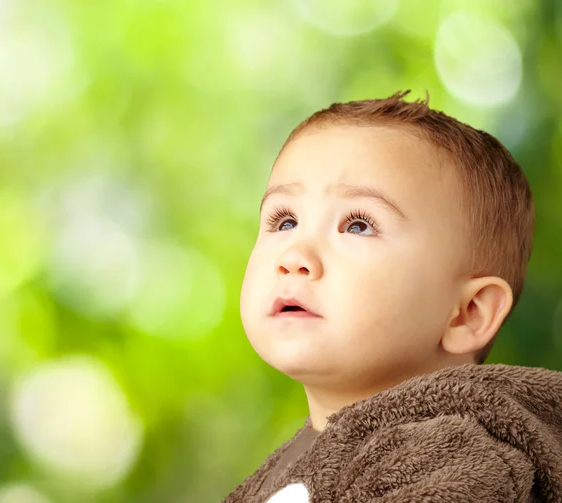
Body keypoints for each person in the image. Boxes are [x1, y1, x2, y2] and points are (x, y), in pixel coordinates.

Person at [222, 91, 562, 502]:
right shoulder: (295, 462)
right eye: (285, 220)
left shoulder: (454, 452)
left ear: (467, 314)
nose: (295, 257)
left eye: (358, 225)